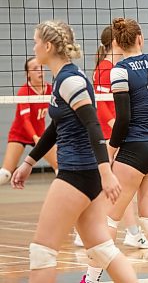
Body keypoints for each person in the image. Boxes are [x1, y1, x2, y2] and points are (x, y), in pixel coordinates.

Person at [10, 20, 137, 283]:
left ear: (47, 45)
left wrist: (106, 172)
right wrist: (29, 162)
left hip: (77, 173)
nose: (33, 47)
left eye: (35, 41)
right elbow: (56, 126)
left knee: (42, 252)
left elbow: (93, 124)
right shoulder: (65, 78)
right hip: (85, 173)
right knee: (102, 249)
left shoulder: (69, 80)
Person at [81, 17, 148, 283]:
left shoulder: (119, 70)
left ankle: (90, 279)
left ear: (116, 43)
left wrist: (112, 150)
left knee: (108, 221)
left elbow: (122, 119)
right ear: (140, 38)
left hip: (136, 148)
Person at [73, 26, 148, 250]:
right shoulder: (106, 69)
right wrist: (114, 126)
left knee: (117, 186)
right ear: (116, 42)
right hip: (110, 134)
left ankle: (132, 232)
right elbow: (104, 105)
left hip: (116, 132)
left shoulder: (113, 67)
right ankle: (86, 230)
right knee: (109, 186)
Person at [0, 57, 58, 185]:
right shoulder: (24, 91)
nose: (40, 71)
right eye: (35, 69)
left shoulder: (50, 89)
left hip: (40, 134)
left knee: (61, 167)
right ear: (27, 74)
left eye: (41, 68)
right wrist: (35, 137)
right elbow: (25, 120)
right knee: (5, 174)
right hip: (19, 134)